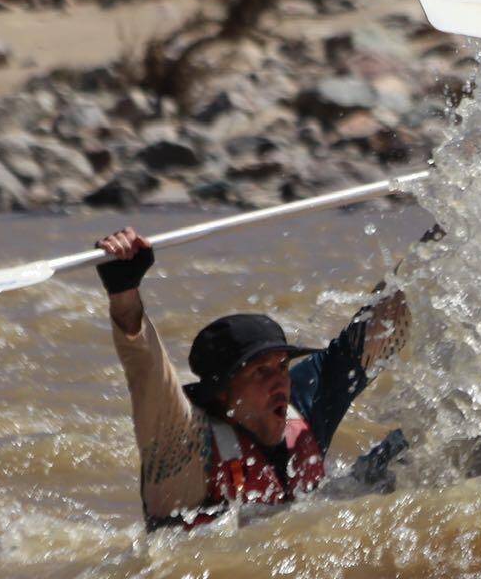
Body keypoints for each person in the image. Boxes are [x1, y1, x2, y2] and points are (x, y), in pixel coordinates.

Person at [93, 227, 411, 530]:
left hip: (323, 506)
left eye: (283, 367)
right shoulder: (184, 446)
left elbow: (377, 329)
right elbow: (146, 371)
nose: (280, 383)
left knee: (418, 448)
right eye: (260, 372)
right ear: (222, 394)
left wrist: (445, 234)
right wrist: (124, 292)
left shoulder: (297, 407)